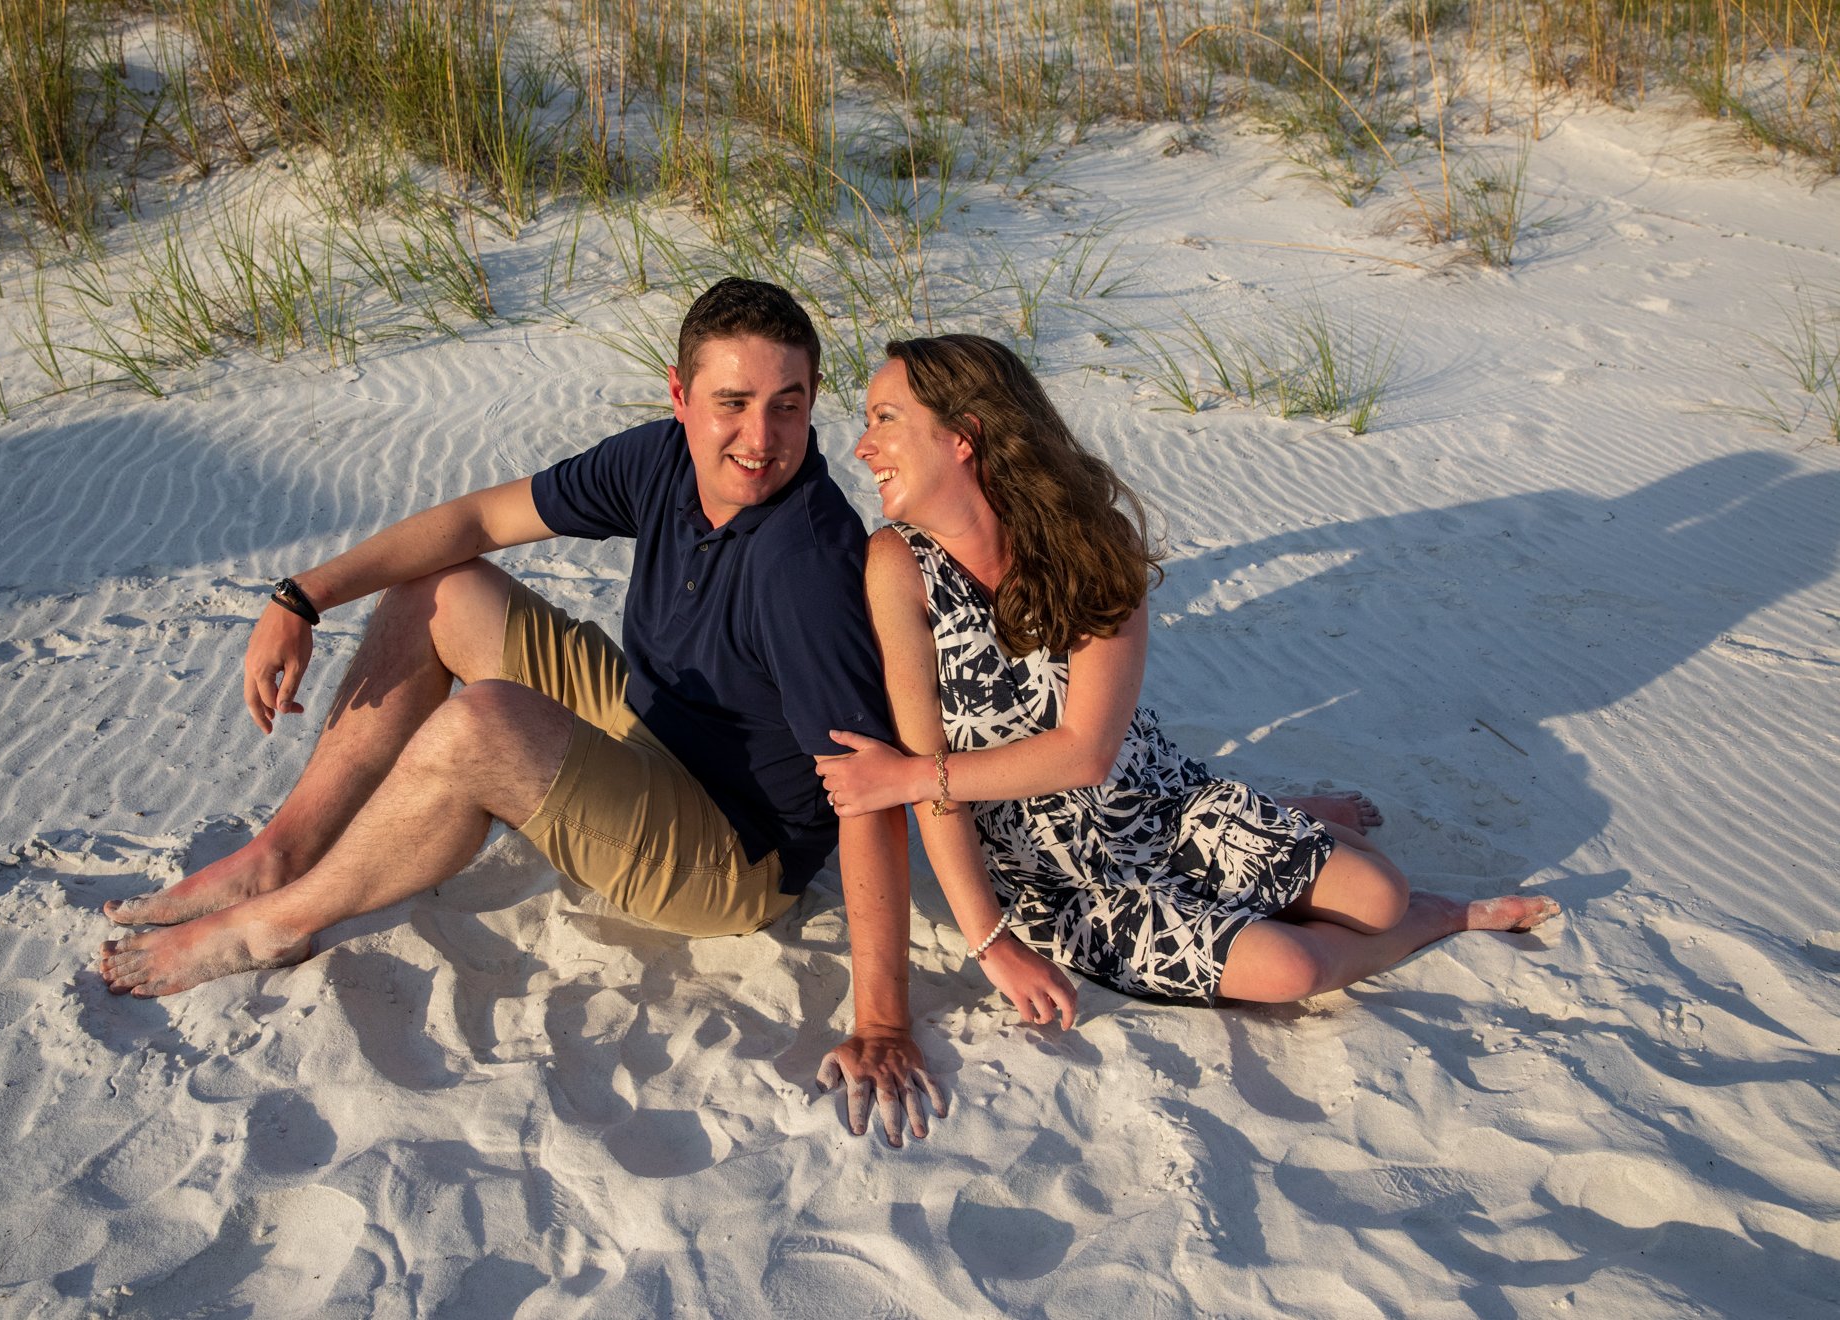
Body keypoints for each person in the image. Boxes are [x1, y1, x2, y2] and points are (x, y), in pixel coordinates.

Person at [98, 279, 942, 1143]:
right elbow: (472, 519)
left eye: (787, 406)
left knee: (484, 725)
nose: (760, 440)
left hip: (732, 852)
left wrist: (881, 1023)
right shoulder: (662, 460)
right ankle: (279, 855)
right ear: (679, 397)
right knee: (438, 585)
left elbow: (869, 791)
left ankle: (272, 926)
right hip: (649, 730)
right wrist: (302, 596)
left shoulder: (807, 562)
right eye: (733, 403)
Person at [815, 334, 1559, 1026]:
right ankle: (1443, 916)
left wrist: (909, 778)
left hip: (1160, 805)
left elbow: (1085, 755)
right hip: (1060, 879)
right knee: (1291, 968)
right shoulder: (898, 566)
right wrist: (991, 941)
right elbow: (940, 791)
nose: (863, 443)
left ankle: (1324, 848)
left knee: (1379, 895)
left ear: (962, 435)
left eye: (885, 417)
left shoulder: (1092, 544)